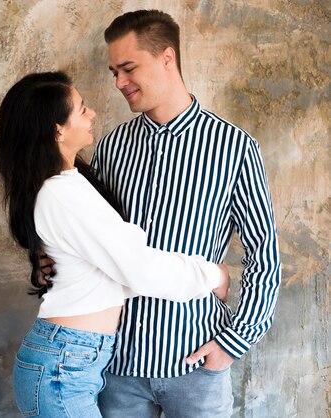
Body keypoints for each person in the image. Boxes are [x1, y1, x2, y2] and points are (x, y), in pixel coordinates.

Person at [0, 71, 231, 417]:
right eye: (82, 109)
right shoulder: (62, 193)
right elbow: (140, 268)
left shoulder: (70, 184)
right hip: (64, 367)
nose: (92, 115)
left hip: (73, 361)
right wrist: (213, 276)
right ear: (56, 129)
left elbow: (113, 269)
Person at [88, 9, 281, 418]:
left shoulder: (234, 147)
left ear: (167, 58)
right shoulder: (110, 149)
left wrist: (234, 344)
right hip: (116, 368)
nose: (120, 83)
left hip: (195, 366)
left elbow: (263, 253)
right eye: (114, 73)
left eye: (127, 69)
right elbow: (92, 245)